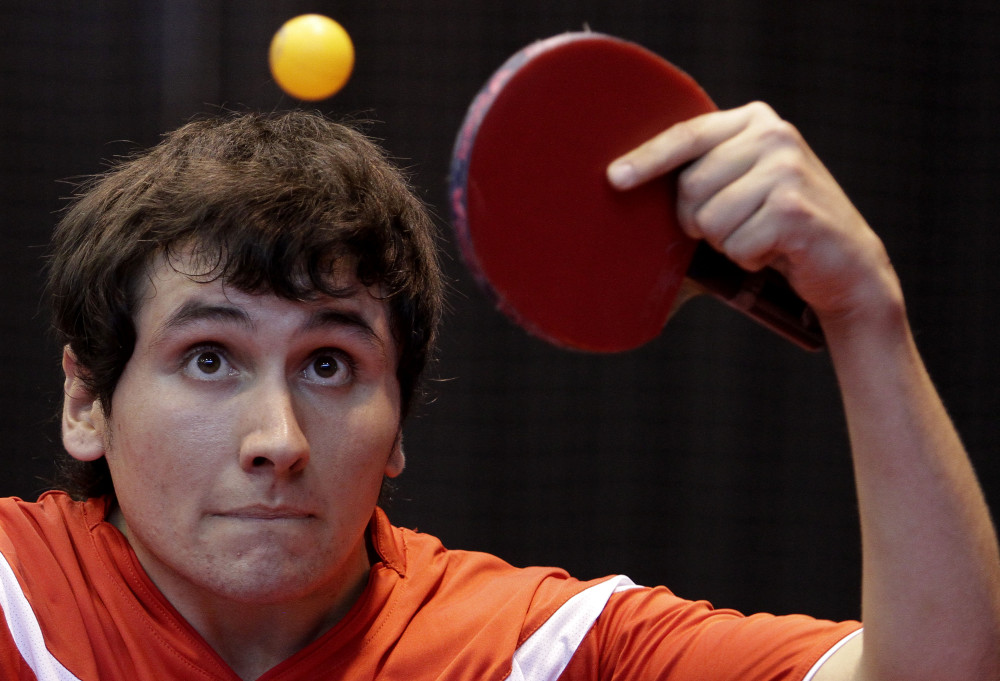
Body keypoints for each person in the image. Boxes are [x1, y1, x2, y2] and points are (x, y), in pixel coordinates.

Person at [0, 105, 996, 681]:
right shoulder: (18, 598)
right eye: (210, 358)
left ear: (398, 426)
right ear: (86, 401)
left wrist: (865, 315)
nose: (278, 440)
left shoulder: (531, 650)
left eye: (330, 365)